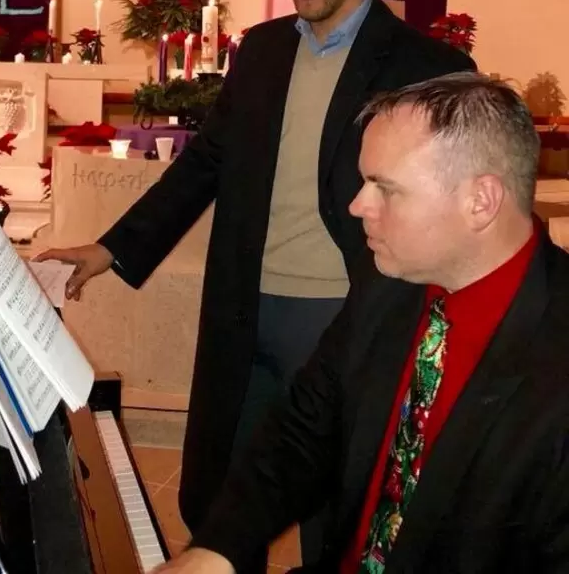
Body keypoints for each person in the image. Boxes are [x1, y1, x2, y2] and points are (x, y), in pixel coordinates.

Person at [37, 0, 475, 566]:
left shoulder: (429, 67)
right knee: (223, 505)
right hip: (246, 312)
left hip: (348, 318)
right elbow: (205, 164)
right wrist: (109, 250)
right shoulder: (265, 51)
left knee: (336, 515)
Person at [154, 72, 569, 574]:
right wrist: (216, 550)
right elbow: (303, 431)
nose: (357, 206)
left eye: (384, 188)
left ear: (481, 201)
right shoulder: (387, 285)